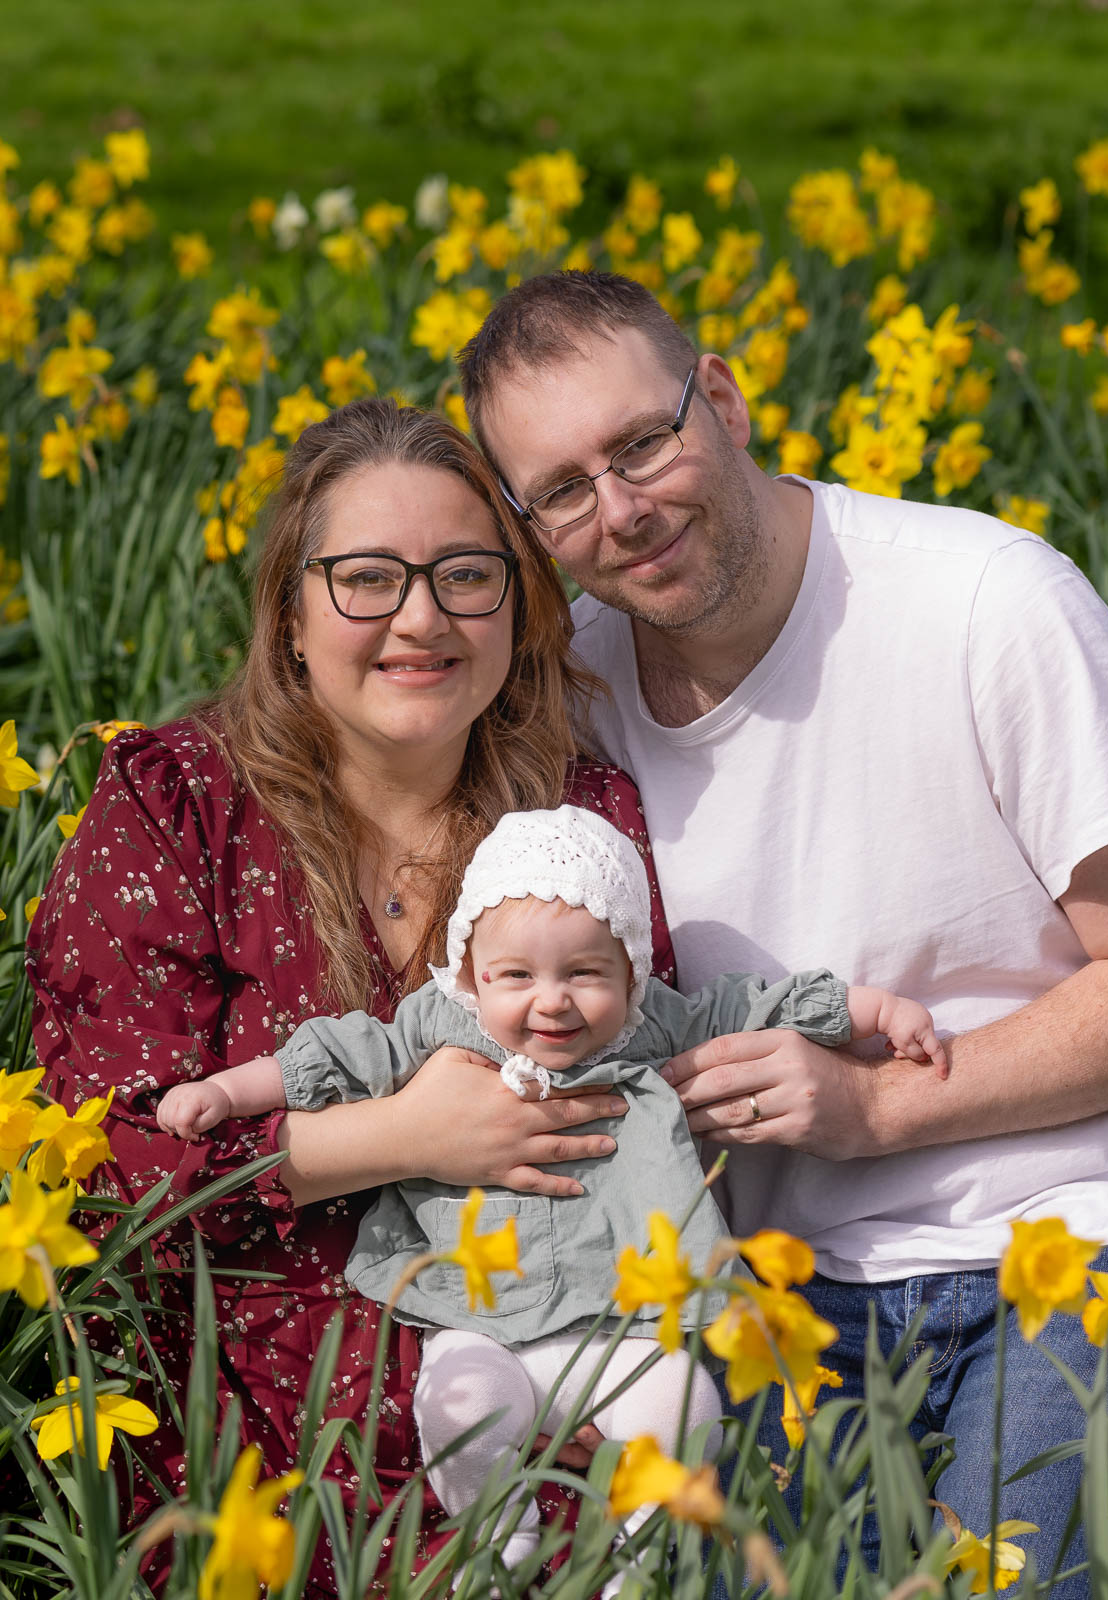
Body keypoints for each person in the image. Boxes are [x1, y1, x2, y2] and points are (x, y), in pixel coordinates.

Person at [455, 270, 1108, 1589]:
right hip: (786, 1290)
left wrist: (875, 1112)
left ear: (722, 397)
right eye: (561, 490)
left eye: (643, 443)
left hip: (1086, 1232)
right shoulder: (577, 699)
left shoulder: (986, 602)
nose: (622, 510)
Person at [25, 400, 679, 1594]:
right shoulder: (175, 809)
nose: (420, 618)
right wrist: (396, 1137)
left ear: (516, 608)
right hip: (253, 1455)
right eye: (368, 578)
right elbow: (95, 1169)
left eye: (465, 575)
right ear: (289, 613)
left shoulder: (576, 826)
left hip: (533, 1415)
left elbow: (629, 1100)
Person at [156, 801, 941, 1588]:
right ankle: (499, 1549)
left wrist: (877, 1013)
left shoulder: (652, 1027)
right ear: (471, 973)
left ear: (631, 971)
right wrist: (228, 1091)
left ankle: (642, 1560)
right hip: (477, 1318)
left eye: (585, 973)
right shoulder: (440, 1026)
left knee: (687, 1406)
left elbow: (755, 1007)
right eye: (516, 976)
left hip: (622, 1322)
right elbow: (337, 1054)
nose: (552, 1001)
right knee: (459, 1411)